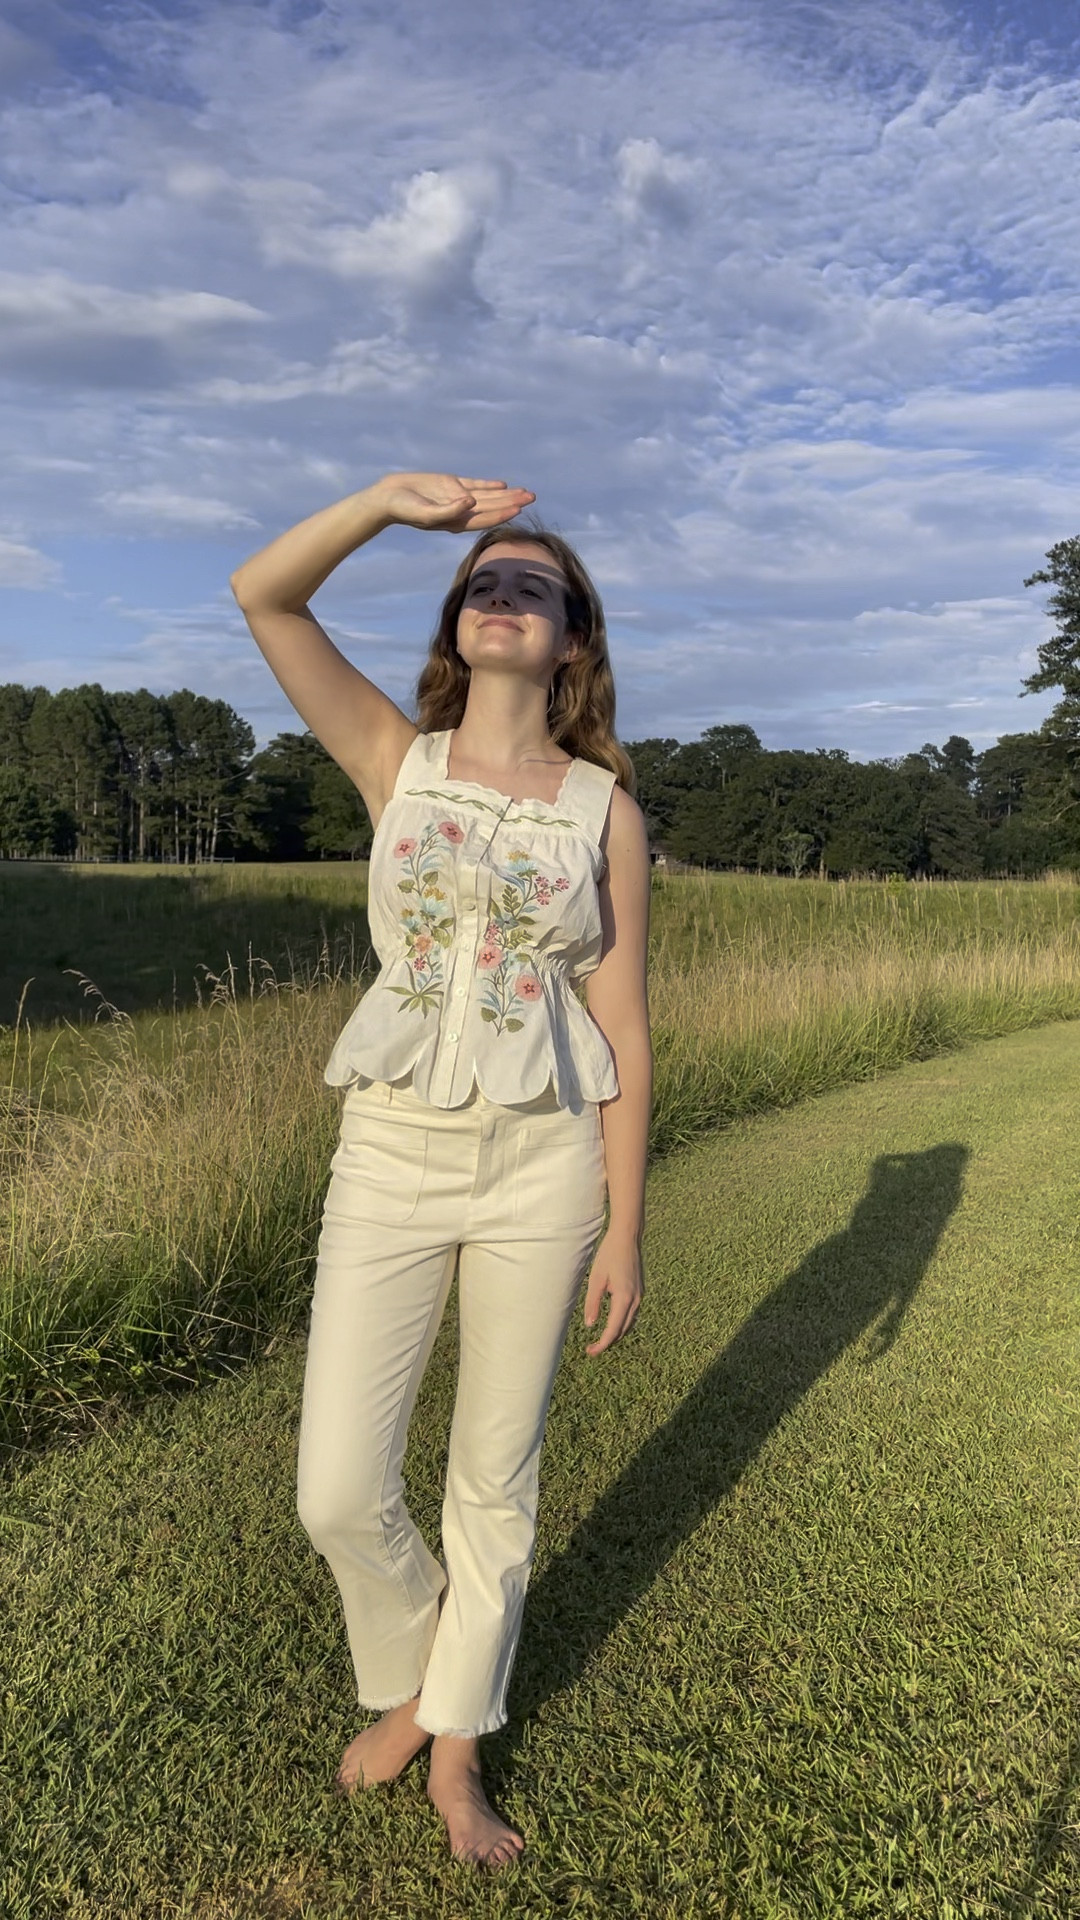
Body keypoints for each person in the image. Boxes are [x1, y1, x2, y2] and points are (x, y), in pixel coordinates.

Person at [229, 472, 653, 1870]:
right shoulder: (392, 758)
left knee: (495, 1481)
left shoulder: (605, 811)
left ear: (574, 637)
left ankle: (457, 1748)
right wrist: (383, 505)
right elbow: (265, 595)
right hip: (393, 1150)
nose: (502, 591)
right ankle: (419, 1672)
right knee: (338, 1491)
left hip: (544, 1165)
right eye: (482, 578)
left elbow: (627, 1023)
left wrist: (624, 1229)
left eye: (532, 584)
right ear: (455, 622)